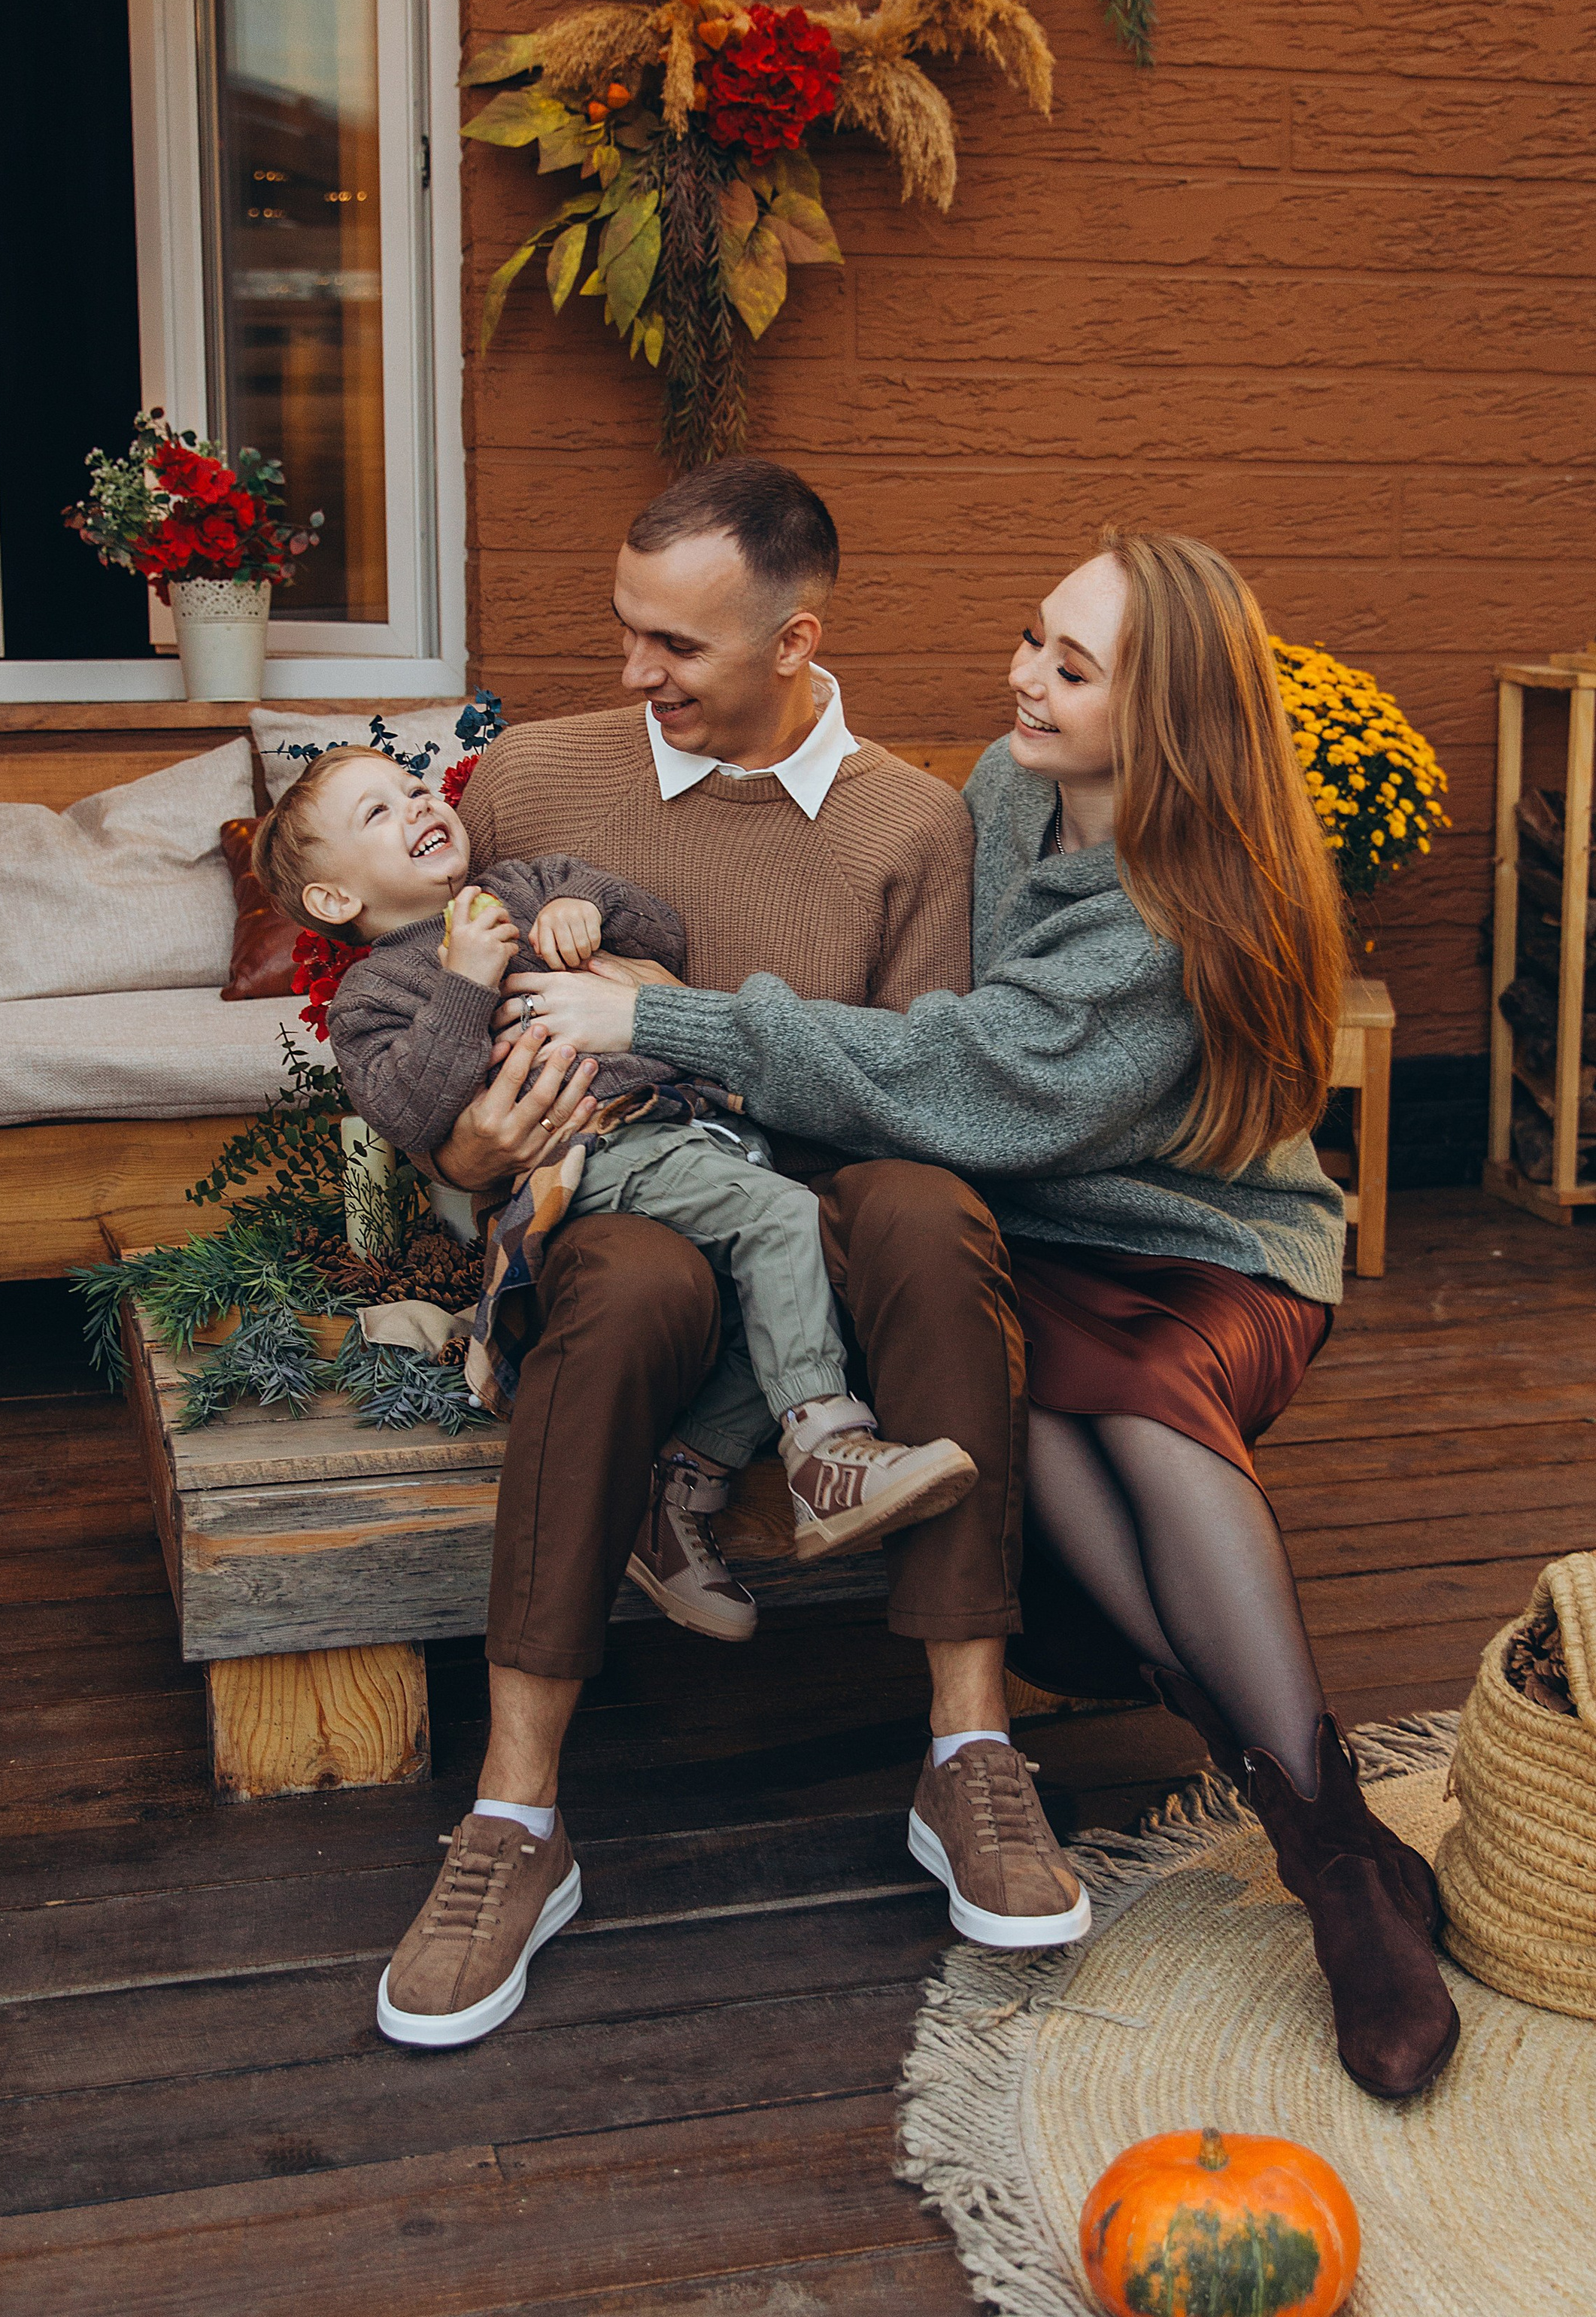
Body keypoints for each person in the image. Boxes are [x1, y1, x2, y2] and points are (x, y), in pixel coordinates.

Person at [512, 527, 1460, 2103]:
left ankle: (1330, 1864)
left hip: (1206, 1249)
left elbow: (963, 1073)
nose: (1021, 677)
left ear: (1164, 719)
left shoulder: (1178, 910)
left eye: (1069, 669)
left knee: (1139, 1409)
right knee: (1024, 1394)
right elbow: (921, 1028)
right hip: (1038, 1234)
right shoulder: (1005, 792)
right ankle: (1335, 1839)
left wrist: (652, 1013)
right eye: (1032, 638)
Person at [364, 458, 1088, 2052]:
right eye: (625, 630)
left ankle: (968, 1756)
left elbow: (927, 1096)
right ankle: (514, 1818)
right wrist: (466, 1156)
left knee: (927, 1210)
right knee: (624, 1284)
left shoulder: (910, 824)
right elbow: (427, 1057)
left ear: (794, 640)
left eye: (675, 649)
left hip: (830, 1220)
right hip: (623, 1211)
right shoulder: (537, 785)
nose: (633, 674)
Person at [251, 746, 974, 1602]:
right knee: (785, 1222)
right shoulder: (375, 997)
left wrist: (583, 907)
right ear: (337, 900)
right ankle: (825, 1454)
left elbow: (660, 930)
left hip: (693, 1129)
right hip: (593, 1150)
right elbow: (409, 1112)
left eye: (412, 788)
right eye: (376, 814)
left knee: (768, 1294)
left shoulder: (522, 883)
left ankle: (679, 1498)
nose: (414, 807)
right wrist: (465, 984)